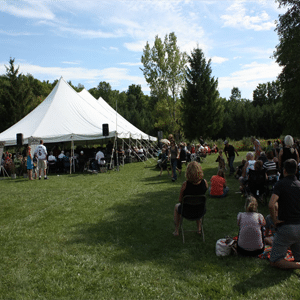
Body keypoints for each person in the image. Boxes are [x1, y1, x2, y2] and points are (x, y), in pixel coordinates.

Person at [269, 159, 300, 269]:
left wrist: (275, 220)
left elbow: (271, 204)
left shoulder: (280, 184)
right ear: (296, 170)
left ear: (284, 170)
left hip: (287, 228)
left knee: (275, 260)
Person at [173, 161, 208, 236]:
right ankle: (199, 229)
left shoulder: (185, 184)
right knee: (198, 204)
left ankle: (176, 230)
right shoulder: (204, 182)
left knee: (176, 206)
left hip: (186, 211)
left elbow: (180, 200)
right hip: (200, 211)